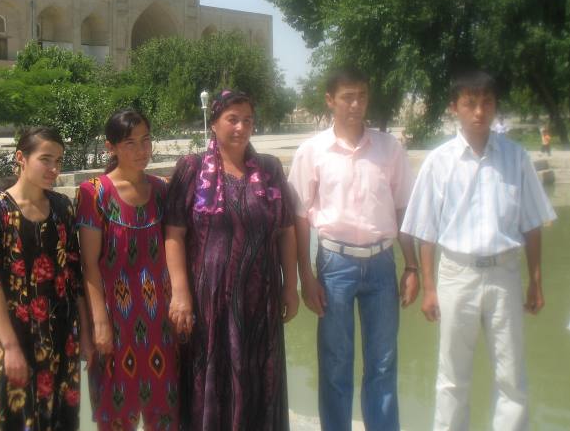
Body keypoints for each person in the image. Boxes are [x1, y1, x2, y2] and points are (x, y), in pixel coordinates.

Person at [401, 70, 556, 431]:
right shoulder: (439, 162)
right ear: (454, 107)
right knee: (452, 376)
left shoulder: (516, 158)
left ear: (495, 106)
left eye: (486, 102)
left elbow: (532, 224)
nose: (479, 111)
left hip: (505, 274)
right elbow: (426, 230)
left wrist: (536, 280)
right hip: (457, 273)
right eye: (470, 103)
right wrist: (429, 287)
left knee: (511, 374)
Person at [288, 67, 419, 431]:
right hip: (334, 264)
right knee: (335, 364)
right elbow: (298, 217)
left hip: (381, 264)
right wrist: (305, 276)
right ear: (330, 100)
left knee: (383, 363)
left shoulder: (389, 148)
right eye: (347, 96)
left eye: (361, 95)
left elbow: (403, 209)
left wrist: (412, 266)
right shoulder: (312, 152)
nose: (356, 104)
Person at [164, 89, 299, 431]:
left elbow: (285, 229)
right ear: (214, 124)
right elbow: (174, 234)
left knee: (257, 378)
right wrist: (179, 293)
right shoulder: (192, 169)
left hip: (259, 300)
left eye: (248, 120)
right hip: (209, 300)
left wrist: (291, 286)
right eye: (232, 119)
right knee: (211, 376)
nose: (241, 127)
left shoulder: (269, 169)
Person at [0, 126, 90, 431]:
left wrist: (85, 332)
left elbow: (74, 274)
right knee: (18, 413)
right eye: (46, 159)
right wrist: (8, 346)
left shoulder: (63, 207)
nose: (53, 169)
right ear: (21, 158)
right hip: (19, 334)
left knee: (63, 416)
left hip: (64, 332)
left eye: (59, 161)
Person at [75, 108, 179, 430]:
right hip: (116, 323)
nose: (141, 151)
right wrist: (99, 322)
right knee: (118, 416)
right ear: (111, 147)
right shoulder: (95, 193)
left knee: (165, 414)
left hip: (161, 322)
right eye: (130, 143)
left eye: (146, 141)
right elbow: (88, 264)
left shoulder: (163, 190)